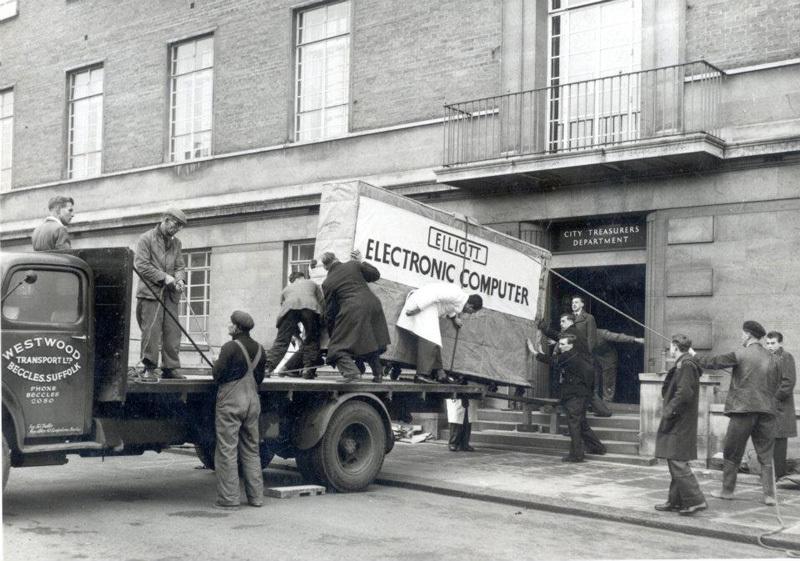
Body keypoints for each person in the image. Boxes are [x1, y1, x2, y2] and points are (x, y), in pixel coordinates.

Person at [695, 320, 780, 505]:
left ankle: (727, 491)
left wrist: (694, 356)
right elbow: (777, 383)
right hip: (766, 411)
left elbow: (715, 362)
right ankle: (770, 496)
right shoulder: (773, 357)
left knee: (732, 452)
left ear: (748, 335)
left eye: (742, 334)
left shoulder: (740, 354)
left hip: (743, 410)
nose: (741, 337)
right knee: (765, 455)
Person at [211, 310, 267, 510]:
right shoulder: (260, 349)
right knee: (252, 450)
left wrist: (215, 363)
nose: (228, 326)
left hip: (231, 402)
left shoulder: (229, 347)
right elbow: (259, 379)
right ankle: (256, 498)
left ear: (236, 327)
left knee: (227, 449)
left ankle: (229, 499)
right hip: (252, 402)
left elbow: (217, 376)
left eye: (230, 323)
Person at [654, 334, 707, 515]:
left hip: (679, 421)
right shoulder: (685, 364)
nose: (670, 350)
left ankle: (696, 500)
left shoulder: (686, 365)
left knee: (677, 460)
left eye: (671, 347)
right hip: (681, 420)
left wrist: (669, 411)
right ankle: (675, 501)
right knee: (674, 458)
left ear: (675, 347)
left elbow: (684, 394)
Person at [133, 208, 187, 382]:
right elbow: (141, 266)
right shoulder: (145, 239)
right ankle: (149, 367)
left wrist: (180, 280)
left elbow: (180, 266)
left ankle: (171, 367)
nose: (177, 228)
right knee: (151, 332)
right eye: (176, 224)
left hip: (170, 295)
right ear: (165, 219)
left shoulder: (176, 243)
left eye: (180, 226)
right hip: (150, 294)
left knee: (173, 332)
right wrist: (164, 277)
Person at [533, 334, 606, 462]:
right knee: (581, 423)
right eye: (559, 344)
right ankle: (597, 447)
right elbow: (556, 360)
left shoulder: (568, 355)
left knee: (574, 425)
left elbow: (553, 361)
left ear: (570, 345)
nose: (559, 347)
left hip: (574, 397)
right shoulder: (577, 355)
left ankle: (577, 455)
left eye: (562, 344)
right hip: (582, 395)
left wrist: (535, 353)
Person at [320, 250, 391, 382]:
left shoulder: (327, 282)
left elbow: (331, 312)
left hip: (353, 308)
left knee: (336, 349)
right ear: (336, 258)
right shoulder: (353, 264)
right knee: (369, 340)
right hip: (373, 304)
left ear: (325, 267)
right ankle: (378, 374)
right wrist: (361, 261)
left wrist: (333, 335)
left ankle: (352, 374)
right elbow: (375, 275)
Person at [397, 282, 483, 383]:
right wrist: (418, 308)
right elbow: (435, 294)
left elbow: (449, 306)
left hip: (428, 306)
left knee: (435, 340)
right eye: (471, 312)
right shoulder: (457, 294)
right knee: (430, 339)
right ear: (470, 306)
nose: (469, 314)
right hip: (422, 303)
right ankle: (421, 375)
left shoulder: (460, 300)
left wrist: (454, 318)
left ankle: (439, 373)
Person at [537, 313, 611, 417]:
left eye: (563, 321)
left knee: (583, 393)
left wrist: (544, 328)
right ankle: (604, 412)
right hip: (585, 368)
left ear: (571, 322)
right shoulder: (574, 332)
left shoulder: (572, 332)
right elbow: (560, 337)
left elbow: (558, 336)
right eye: (560, 321)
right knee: (588, 393)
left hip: (582, 370)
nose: (561, 324)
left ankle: (599, 413)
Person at [265, 270, 324, 379]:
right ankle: (307, 370)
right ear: (303, 277)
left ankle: (268, 368)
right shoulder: (312, 284)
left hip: (288, 309)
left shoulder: (286, 289)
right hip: (310, 308)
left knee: (281, 341)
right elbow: (322, 302)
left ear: (292, 280)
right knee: (312, 340)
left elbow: (285, 312)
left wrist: (296, 335)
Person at [765, 331, 796, 480]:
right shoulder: (768, 358)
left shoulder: (786, 357)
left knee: (779, 441)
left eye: (773, 343)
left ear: (780, 343)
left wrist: (774, 399)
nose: (770, 346)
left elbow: (788, 383)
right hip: (768, 406)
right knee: (769, 439)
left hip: (781, 407)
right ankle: (770, 475)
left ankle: (777, 475)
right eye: (768, 343)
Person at [594, 328, 645, 402]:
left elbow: (617, 337)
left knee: (608, 380)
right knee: (593, 379)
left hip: (608, 358)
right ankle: (594, 402)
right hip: (594, 358)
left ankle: (607, 401)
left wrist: (635, 339)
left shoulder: (600, 333)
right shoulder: (580, 334)